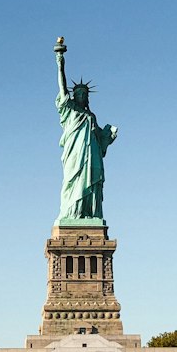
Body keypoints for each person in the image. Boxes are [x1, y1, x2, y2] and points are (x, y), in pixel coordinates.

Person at [54, 38, 117, 222]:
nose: (81, 96)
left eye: (84, 94)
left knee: (91, 181)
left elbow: (100, 139)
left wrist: (108, 136)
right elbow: (62, 88)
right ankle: (72, 214)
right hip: (75, 155)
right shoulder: (69, 110)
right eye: (78, 93)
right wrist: (60, 63)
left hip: (92, 155)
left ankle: (89, 214)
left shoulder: (92, 117)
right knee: (73, 182)